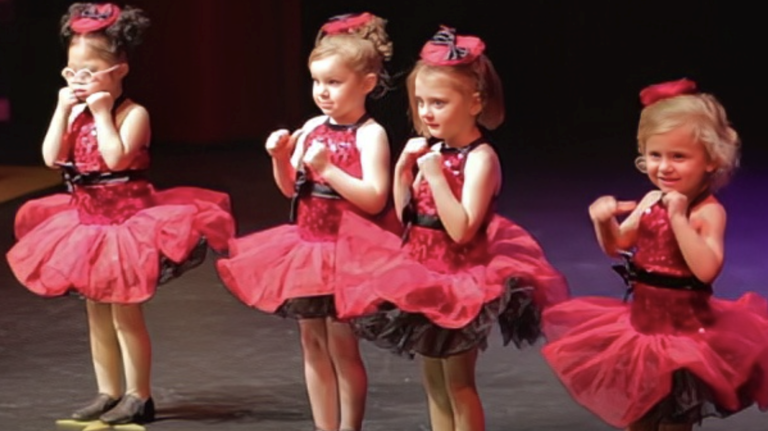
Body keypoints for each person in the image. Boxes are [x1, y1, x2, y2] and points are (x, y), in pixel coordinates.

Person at [6, 3, 235, 425]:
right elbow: (51, 158)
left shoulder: (134, 114)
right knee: (96, 314)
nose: (79, 81)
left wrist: (97, 113)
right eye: (72, 72)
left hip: (124, 226)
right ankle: (106, 391)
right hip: (85, 223)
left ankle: (138, 395)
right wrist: (62, 109)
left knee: (125, 314)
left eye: (90, 72)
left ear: (119, 70)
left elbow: (114, 157)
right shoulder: (74, 110)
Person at [332, 26, 569, 431]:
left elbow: (461, 228)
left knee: (459, 385)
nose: (426, 112)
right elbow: (409, 217)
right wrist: (404, 173)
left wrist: (436, 177)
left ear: (475, 102)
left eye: (438, 103)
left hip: (461, 280)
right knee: (433, 384)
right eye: (421, 102)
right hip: (423, 273)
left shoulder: (481, 158)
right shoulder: (434, 151)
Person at [541, 78, 768, 431]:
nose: (663, 167)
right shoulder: (649, 201)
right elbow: (618, 246)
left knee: (674, 421)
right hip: (642, 331)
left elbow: (706, 270)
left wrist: (678, 217)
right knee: (639, 417)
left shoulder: (707, 212)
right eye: (654, 155)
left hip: (686, 338)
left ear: (711, 160)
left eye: (679, 157)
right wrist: (603, 222)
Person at [215, 12, 395, 431]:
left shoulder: (371, 134)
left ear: (366, 83)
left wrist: (330, 170)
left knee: (342, 346)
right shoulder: (313, 127)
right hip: (306, 248)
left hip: (346, 255)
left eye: (334, 82)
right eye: (317, 82)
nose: (323, 93)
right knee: (312, 342)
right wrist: (280, 158)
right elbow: (291, 189)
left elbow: (374, 199)